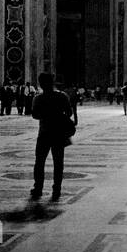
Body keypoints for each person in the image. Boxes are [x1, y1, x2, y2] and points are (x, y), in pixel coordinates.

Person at [31, 72, 75, 200]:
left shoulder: (38, 98)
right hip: (58, 134)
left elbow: (35, 115)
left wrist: (46, 114)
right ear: (53, 82)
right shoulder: (62, 96)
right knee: (58, 162)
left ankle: (38, 188)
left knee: (39, 162)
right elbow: (69, 112)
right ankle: (57, 189)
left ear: (40, 83)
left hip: (44, 133)